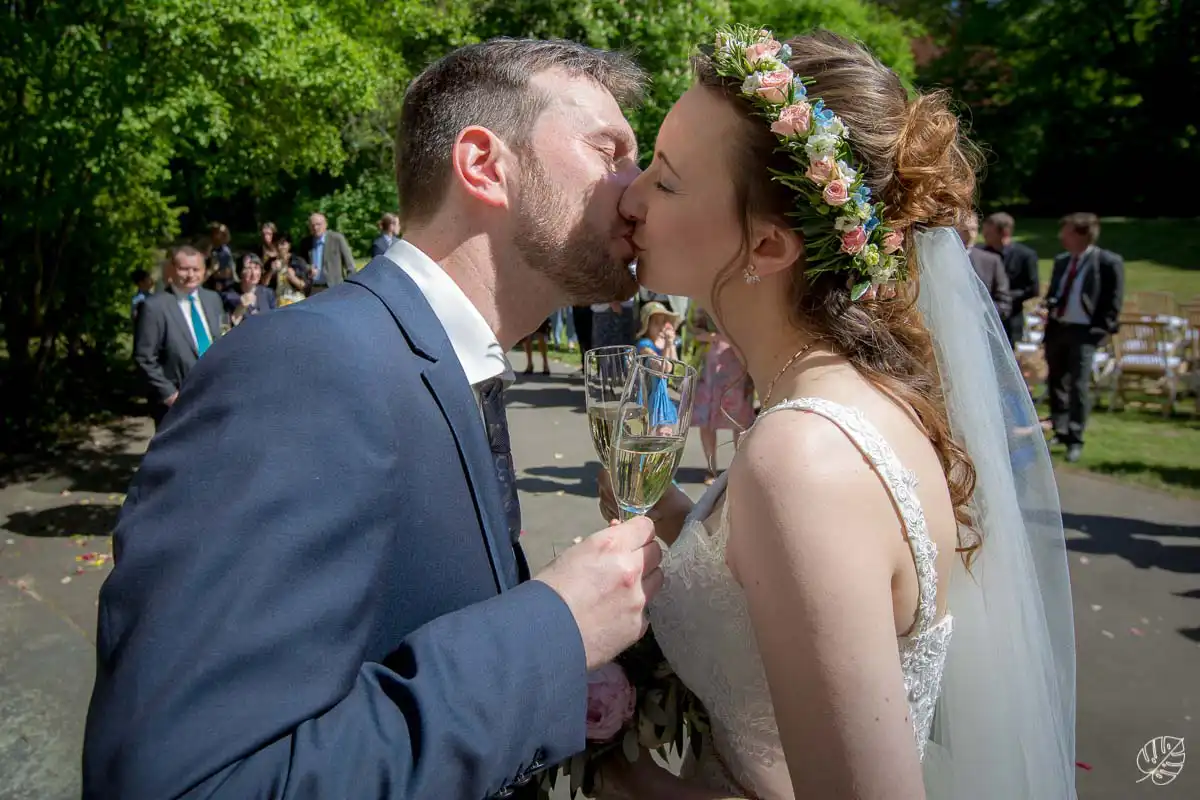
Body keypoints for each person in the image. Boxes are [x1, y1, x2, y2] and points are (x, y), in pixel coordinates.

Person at [84, 38, 662, 800]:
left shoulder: (443, 364)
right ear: (485, 165)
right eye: (610, 150)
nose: (639, 187)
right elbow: (187, 783)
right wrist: (553, 632)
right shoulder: (305, 367)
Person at [602, 25, 1075, 800]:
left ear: (768, 247)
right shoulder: (839, 400)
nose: (630, 197)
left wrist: (621, 775)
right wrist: (670, 514)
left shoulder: (805, 458)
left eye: (667, 178)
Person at [1043, 212, 1124, 463]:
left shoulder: (1107, 262)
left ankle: (1075, 438)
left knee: (1078, 384)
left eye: (1066, 231)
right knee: (1057, 381)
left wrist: (1101, 330)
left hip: (1084, 331)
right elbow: (1056, 291)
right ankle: (1061, 428)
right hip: (1059, 328)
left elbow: (1113, 300)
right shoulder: (1062, 261)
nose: (1061, 237)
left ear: (1082, 234)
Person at [132, 246, 223, 428]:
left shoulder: (213, 299)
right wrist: (169, 395)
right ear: (172, 270)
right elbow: (144, 357)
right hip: (176, 404)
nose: (190, 275)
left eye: (196, 269)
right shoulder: (154, 307)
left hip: (214, 395)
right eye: (184, 269)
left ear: (204, 271)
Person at [691, 307, 755, 484]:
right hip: (709, 371)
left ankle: (740, 469)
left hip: (735, 369)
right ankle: (711, 470)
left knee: (739, 422)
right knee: (707, 423)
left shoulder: (742, 307)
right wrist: (715, 337)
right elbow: (691, 332)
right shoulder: (702, 305)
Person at [981, 212, 1041, 347]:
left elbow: (1032, 289)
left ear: (1005, 233)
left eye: (988, 233)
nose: (984, 236)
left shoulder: (1025, 256)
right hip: (984, 318)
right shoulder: (982, 254)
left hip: (1011, 318)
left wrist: (1003, 299)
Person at [958, 212, 1010, 320]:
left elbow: (1004, 303)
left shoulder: (991, 261)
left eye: (974, 229)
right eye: (965, 230)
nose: (971, 235)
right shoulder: (941, 259)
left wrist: (983, 310)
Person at [299, 212, 357, 294]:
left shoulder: (337, 239)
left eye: (318, 224)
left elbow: (350, 266)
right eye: (312, 225)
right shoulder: (306, 243)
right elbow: (301, 263)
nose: (315, 228)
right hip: (313, 289)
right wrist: (308, 269)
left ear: (325, 224)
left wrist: (350, 288)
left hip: (334, 288)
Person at [222, 253, 277, 325]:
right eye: (248, 269)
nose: (253, 273)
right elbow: (226, 326)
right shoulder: (229, 296)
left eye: (256, 268)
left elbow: (275, 320)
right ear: (240, 272)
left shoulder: (268, 293)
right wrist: (241, 307)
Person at [270, 232, 309, 307]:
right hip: (278, 304)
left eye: (282, 244)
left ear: (289, 245)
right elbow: (263, 285)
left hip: (296, 302)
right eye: (276, 244)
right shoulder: (271, 262)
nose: (279, 247)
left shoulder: (298, 261)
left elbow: (306, 287)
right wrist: (271, 271)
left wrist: (293, 278)